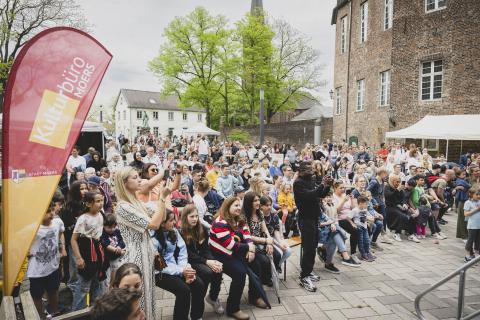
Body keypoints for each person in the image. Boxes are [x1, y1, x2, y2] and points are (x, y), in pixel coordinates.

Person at [115, 166, 170, 319]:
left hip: (146, 253)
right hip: (136, 258)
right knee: (140, 298)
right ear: (124, 183)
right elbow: (154, 224)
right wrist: (162, 198)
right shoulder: (123, 207)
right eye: (134, 177)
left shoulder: (135, 202)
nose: (139, 179)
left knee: (149, 295)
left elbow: (162, 217)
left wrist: (162, 198)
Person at [209, 197, 258, 320]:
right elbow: (230, 244)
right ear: (227, 207)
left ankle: (255, 296)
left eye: (239, 205)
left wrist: (250, 248)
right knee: (240, 273)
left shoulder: (239, 218)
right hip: (219, 255)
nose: (238, 208)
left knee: (256, 263)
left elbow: (246, 234)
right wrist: (249, 247)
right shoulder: (220, 222)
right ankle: (233, 309)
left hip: (233, 252)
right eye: (235, 205)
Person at [154, 208, 205, 320]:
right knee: (184, 291)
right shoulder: (153, 239)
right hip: (160, 273)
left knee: (199, 284)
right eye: (171, 220)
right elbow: (160, 266)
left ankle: (197, 317)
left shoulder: (173, 231)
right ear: (162, 223)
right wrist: (182, 271)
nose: (175, 223)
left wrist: (185, 269)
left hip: (177, 268)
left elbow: (182, 252)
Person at [293, 161, 333, 292]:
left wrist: (327, 186)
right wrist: (321, 185)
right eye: (309, 170)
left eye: (312, 169)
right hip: (305, 219)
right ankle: (304, 276)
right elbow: (310, 196)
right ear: (301, 171)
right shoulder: (298, 183)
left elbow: (320, 195)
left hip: (314, 217)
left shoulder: (310, 180)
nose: (312, 171)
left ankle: (309, 271)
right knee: (308, 248)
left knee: (313, 245)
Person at [180, 204, 225, 315]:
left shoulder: (202, 229)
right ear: (185, 217)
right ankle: (198, 302)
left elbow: (205, 249)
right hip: (188, 262)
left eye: (196, 216)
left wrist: (213, 261)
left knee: (218, 269)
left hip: (200, 258)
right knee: (207, 273)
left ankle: (213, 298)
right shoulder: (181, 232)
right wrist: (206, 262)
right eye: (192, 216)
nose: (195, 219)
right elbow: (188, 255)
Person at [71, 191, 108, 311]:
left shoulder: (101, 214)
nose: (101, 203)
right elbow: (73, 240)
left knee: (97, 283)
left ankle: (94, 310)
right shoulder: (83, 219)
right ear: (88, 203)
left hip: (99, 251)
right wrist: (78, 258)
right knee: (83, 286)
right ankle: (78, 313)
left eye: (102, 200)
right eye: (97, 201)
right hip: (87, 252)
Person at [27, 202, 64, 317]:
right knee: (37, 295)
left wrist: (60, 247)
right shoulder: (32, 229)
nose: (52, 214)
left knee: (53, 290)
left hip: (52, 267)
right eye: (48, 211)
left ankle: (55, 311)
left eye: (52, 210)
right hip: (36, 272)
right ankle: (39, 315)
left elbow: (61, 232)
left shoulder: (57, 222)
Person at [243, 192, 275, 291]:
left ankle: (268, 277)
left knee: (277, 254)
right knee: (264, 261)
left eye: (258, 200)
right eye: (255, 201)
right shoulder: (245, 217)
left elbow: (264, 229)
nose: (258, 203)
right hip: (250, 244)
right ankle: (262, 281)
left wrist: (269, 241)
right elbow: (248, 236)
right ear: (249, 202)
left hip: (261, 241)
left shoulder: (259, 213)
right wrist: (266, 240)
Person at [59, 181, 88, 290]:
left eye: (85, 188)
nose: (84, 191)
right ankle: (72, 287)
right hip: (72, 241)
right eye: (81, 189)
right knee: (74, 266)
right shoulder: (69, 207)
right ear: (76, 191)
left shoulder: (85, 203)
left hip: (84, 240)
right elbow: (68, 228)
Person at [259, 196, 292, 273]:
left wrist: (280, 242)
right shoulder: (259, 217)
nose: (269, 207)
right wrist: (279, 245)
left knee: (288, 251)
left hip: (273, 237)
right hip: (264, 240)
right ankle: (272, 270)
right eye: (266, 205)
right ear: (261, 206)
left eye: (270, 205)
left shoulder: (274, 215)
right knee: (278, 253)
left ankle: (276, 267)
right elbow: (265, 235)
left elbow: (276, 230)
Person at [101, 214, 126, 284]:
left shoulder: (117, 231)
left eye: (114, 227)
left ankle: (113, 284)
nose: (112, 229)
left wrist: (119, 247)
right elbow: (106, 245)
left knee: (115, 271)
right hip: (107, 258)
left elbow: (121, 241)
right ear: (104, 225)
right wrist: (117, 250)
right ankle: (108, 286)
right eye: (109, 227)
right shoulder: (103, 234)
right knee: (108, 275)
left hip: (116, 257)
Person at [350, 196, 376, 262]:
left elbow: (368, 216)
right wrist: (352, 223)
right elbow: (348, 217)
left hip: (365, 227)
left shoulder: (365, 209)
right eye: (365, 204)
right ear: (361, 203)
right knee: (360, 241)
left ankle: (367, 252)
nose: (367, 205)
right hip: (359, 228)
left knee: (367, 240)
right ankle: (363, 254)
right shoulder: (355, 210)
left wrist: (371, 218)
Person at [464, 189, 480, 262]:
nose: (478, 196)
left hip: (479, 225)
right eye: (476, 194)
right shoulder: (468, 202)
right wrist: (476, 209)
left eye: (478, 194)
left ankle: (476, 255)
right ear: (471, 194)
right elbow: (466, 214)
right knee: (470, 240)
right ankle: (467, 255)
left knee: (478, 241)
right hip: (472, 225)